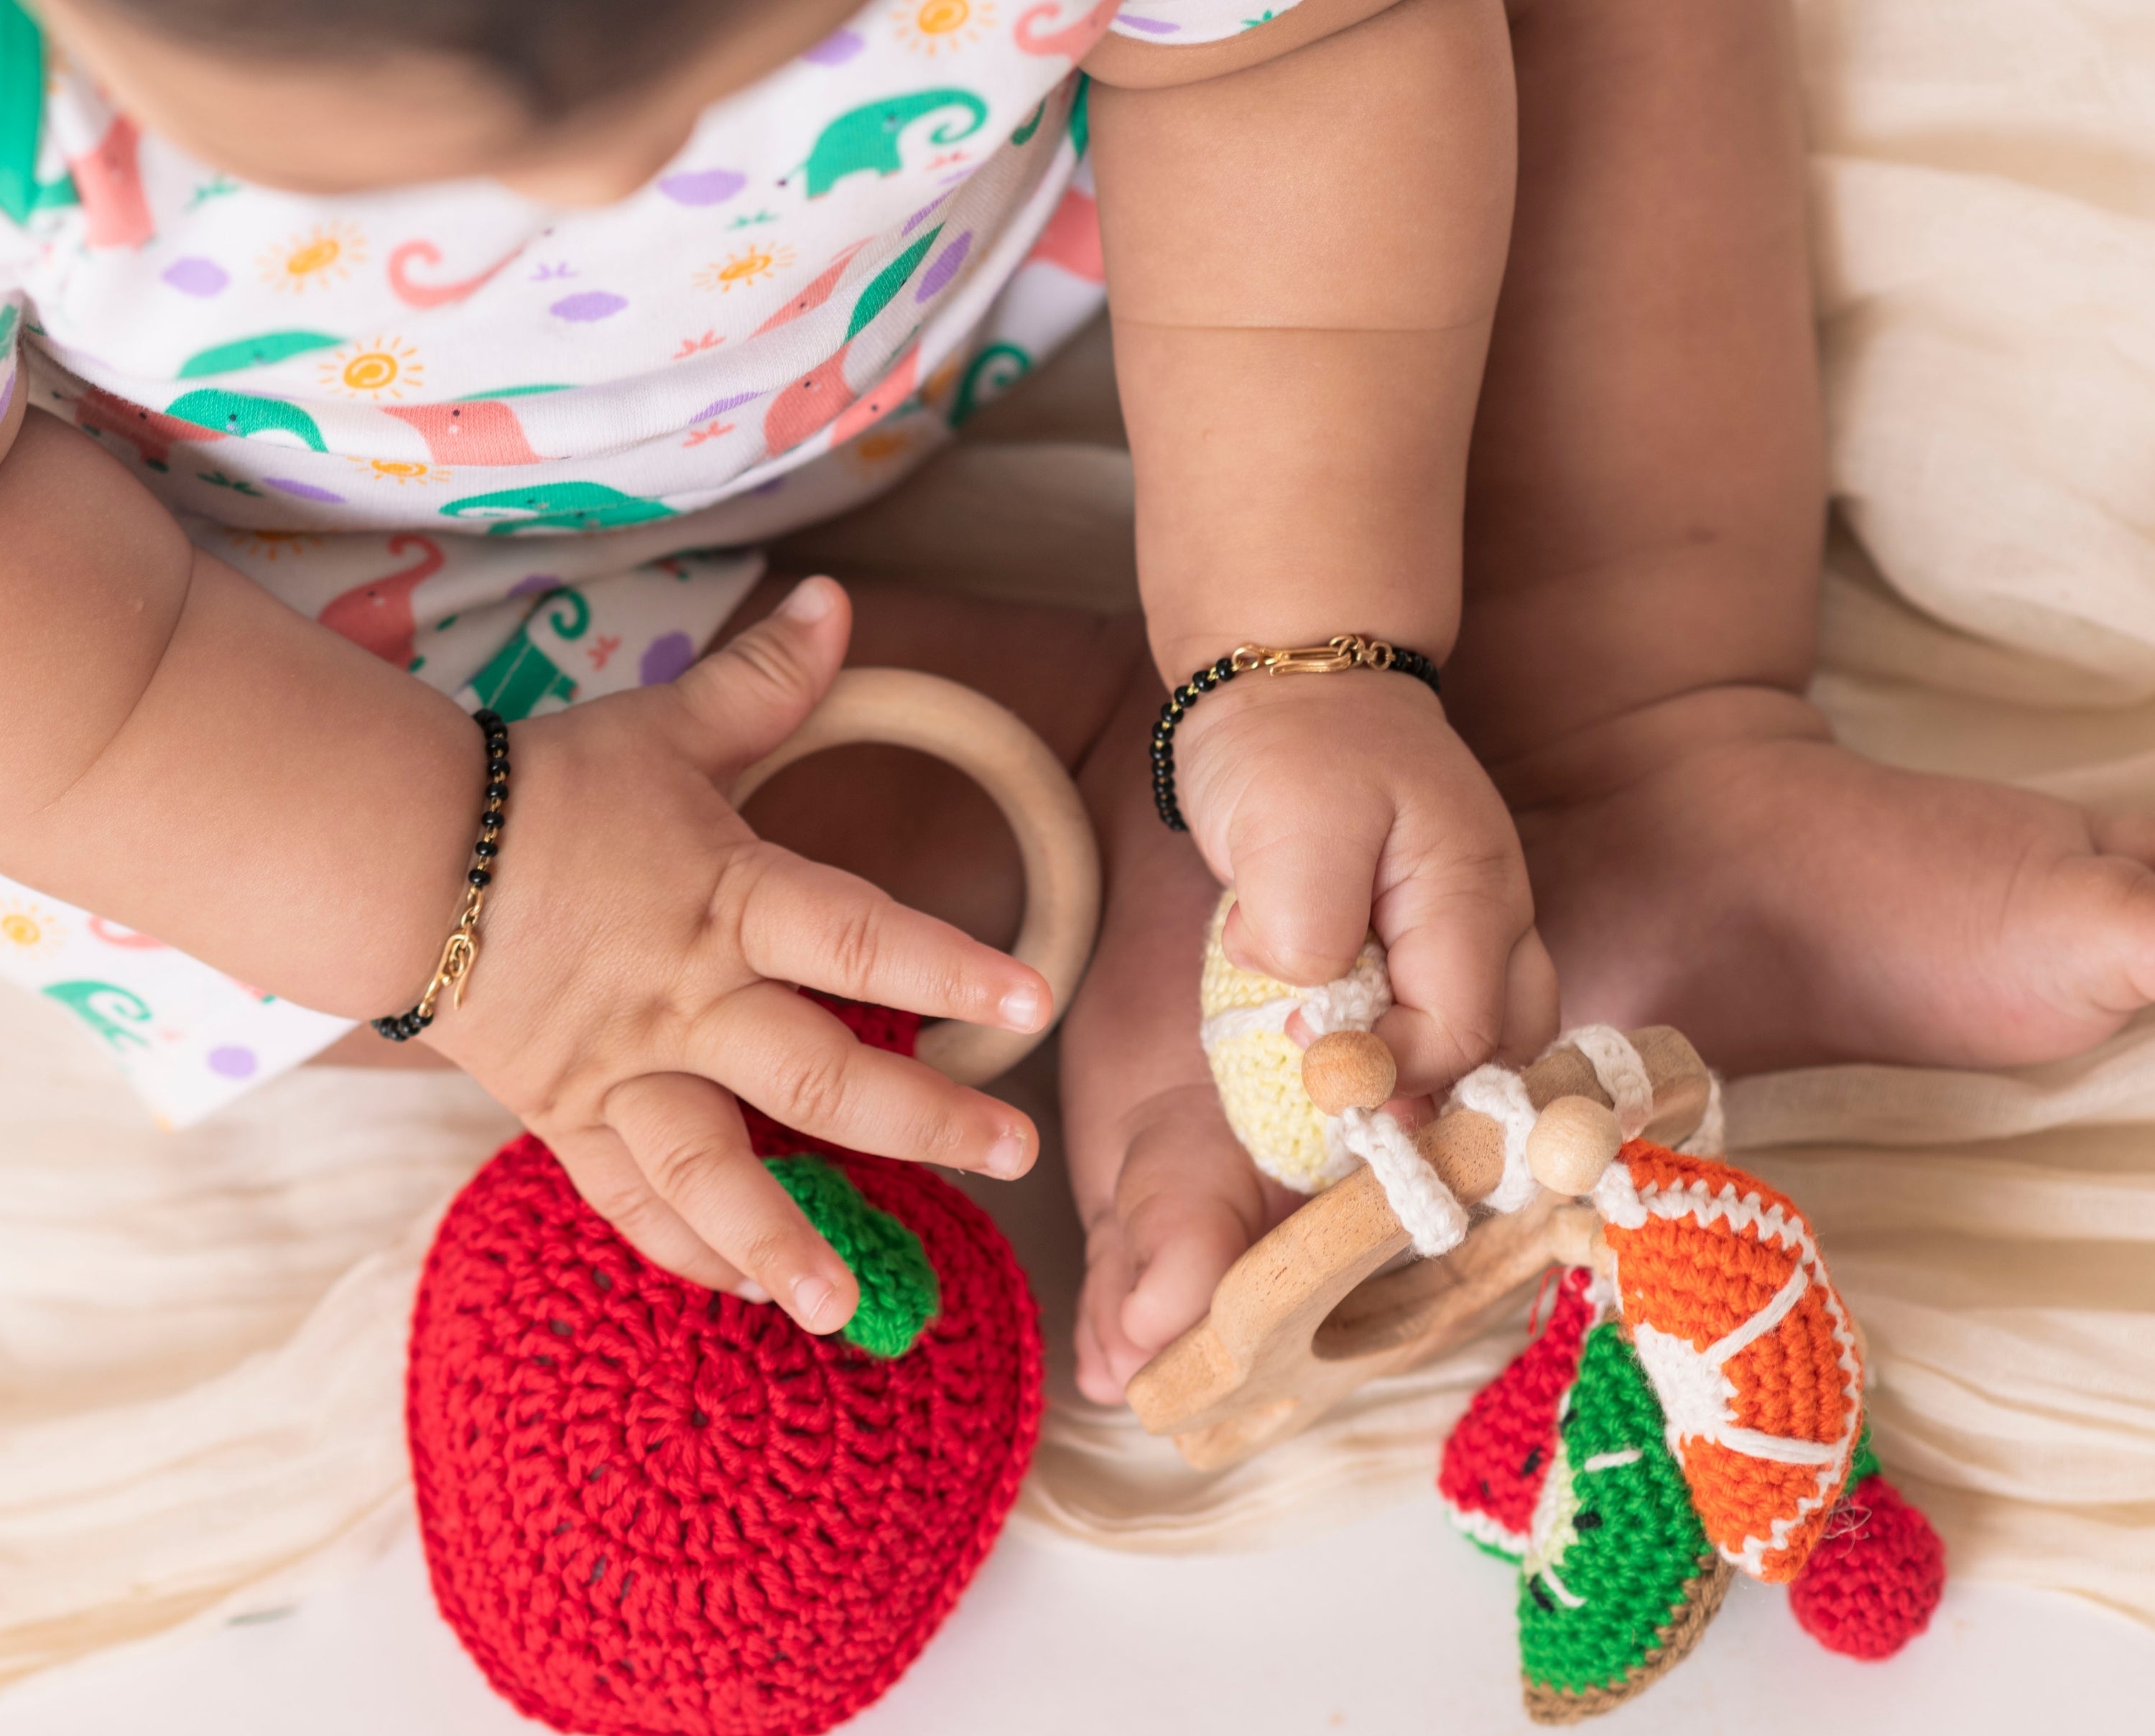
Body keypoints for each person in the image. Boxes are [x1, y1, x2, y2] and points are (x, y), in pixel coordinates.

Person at [0, 0, 2146, 1400]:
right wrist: (484, 890)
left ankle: (1648, 720)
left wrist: (1305, 635)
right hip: (293, 558)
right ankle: (1127, 839)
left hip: (1079, 181)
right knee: (228, 869)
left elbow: (1303, 54)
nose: (583, 185)